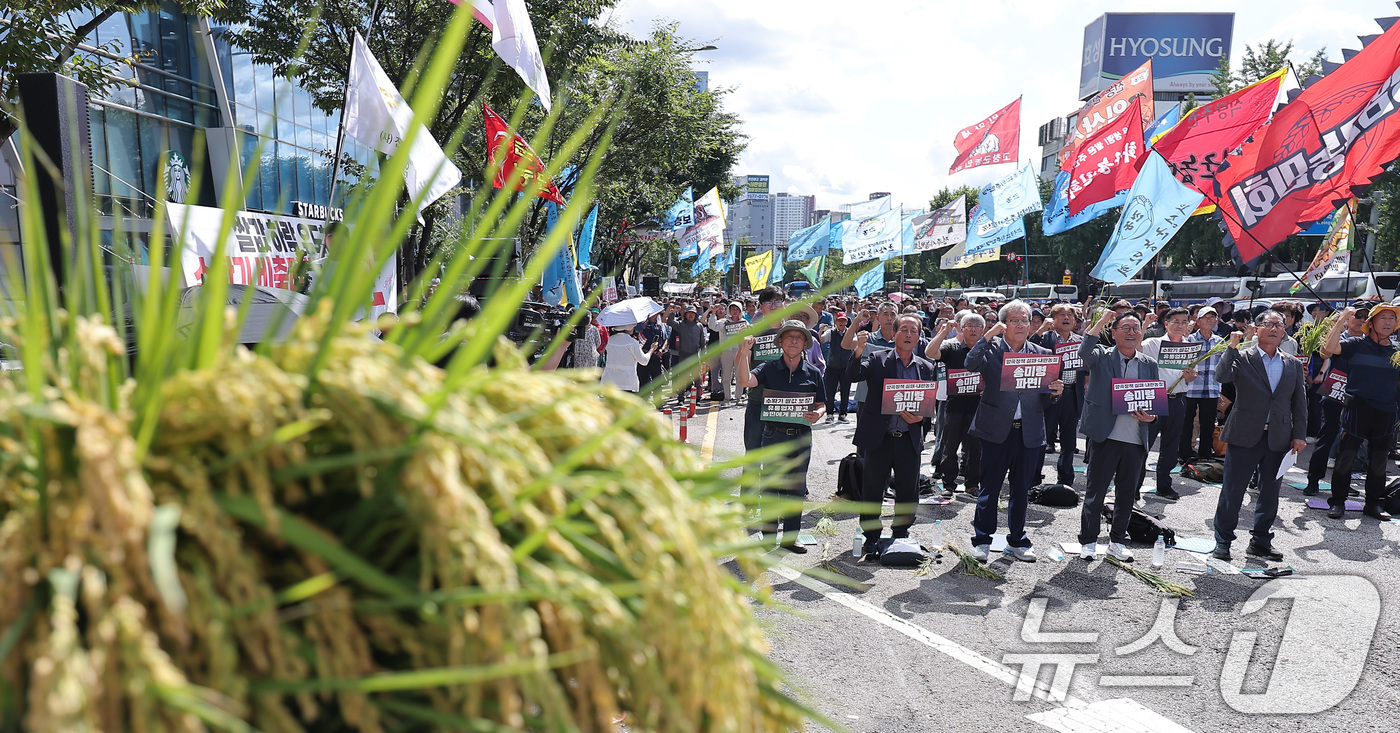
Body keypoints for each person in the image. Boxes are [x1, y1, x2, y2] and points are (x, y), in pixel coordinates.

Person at [964, 300, 1065, 562]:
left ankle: (1017, 539)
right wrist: (988, 334)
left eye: (1025, 320)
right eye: (1014, 321)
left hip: (1029, 431)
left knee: (1021, 489)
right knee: (990, 487)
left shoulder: (1042, 354)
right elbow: (970, 363)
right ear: (1004, 324)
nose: (1020, 325)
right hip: (996, 430)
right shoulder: (992, 349)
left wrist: (1056, 392)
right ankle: (983, 539)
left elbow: (1047, 396)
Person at [1211, 311, 1309, 560]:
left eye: (1279, 324)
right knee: (1233, 491)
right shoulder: (1243, 357)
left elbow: (1299, 402)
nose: (1274, 328)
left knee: (1270, 492)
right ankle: (1223, 540)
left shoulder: (1292, 363)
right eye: (1268, 324)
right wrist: (1232, 346)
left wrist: (1299, 434)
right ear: (1256, 329)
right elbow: (1222, 376)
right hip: (1245, 434)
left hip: (1279, 437)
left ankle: (1261, 540)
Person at [849, 315, 938, 553]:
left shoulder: (926, 367)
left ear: (919, 337)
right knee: (872, 490)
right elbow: (853, 375)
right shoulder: (878, 359)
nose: (909, 335)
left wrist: (921, 419)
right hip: (880, 438)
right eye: (904, 330)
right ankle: (871, 536)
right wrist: (858, 349)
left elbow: (929, 404)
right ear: (895, 333)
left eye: (914, 331)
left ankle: (901, 533)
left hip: (908, 439)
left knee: (908, 491)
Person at [1076, 310, 1158, 561]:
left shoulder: (1148, 364)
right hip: (1105, 435)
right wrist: (1101, 320)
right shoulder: (1101, 356)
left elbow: (1153, 402)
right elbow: (1084, 352)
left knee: (1126, 494)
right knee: (1096, 492)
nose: (1132, 332)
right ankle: (1088, 541)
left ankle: (1117, 541)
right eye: (1126, 328)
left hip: (1134, 438)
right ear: (1113, 333)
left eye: (1136, 328)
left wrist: (1151, 417)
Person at [737, 321, 826, 552]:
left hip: (801, 437)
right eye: (789, 337)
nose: (794, 341)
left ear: (806, 344)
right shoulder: (768, 368)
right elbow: (746, 381)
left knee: (796, 488)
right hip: (773, 434)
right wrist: (743, 352)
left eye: (799, 337)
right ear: (780, 342)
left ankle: (790, 538)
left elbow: (822, 404)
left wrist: (818, 413)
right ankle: (768, 536)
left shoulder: (813, 372)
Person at [1321, 304, 1400, 520]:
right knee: (1346, 458)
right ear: (1371, 323)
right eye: (1383, 318)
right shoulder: (1355, 345)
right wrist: (1342, 319)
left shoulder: (1396, 353)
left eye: (1392, 319)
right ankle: (1337, 502)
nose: (1388, 322)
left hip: (1387, 412)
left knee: (1379, 461)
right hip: (1358, 409)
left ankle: (1373, 505)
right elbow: (1328, 349)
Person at [1139, 307, 1199, 500]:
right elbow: (1135, 347)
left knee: (1171, 446)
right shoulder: (1153, 343)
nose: (1180, 326)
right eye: (1176, 322)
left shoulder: (1190, 346)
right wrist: (1145, 324)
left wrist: (1191, 376)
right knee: (1144, 444)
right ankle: (1134, 485)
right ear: (1166, 324)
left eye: (1184, 322)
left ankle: (1164, 485)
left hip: (1178, 399)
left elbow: (1191, 376)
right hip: (1155, 397)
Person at [1306, 304, 1365, 495]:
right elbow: (1326, 352)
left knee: (1350, 442)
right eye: (1357, 315)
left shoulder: (1370, 342)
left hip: (1358, 395)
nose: (1362, 319)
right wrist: (1339, 320)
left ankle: (1342, 482)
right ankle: (1313, 480)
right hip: (1335, 391)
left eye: (1366, 316)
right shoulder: (1339, 337)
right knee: (1327, 437)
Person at [926, 311, 986, 495]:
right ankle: (949, 484)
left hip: (979, 407)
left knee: (976, 449)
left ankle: (972, 484)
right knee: (949, 447)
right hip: (953, 406)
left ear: (984, 330)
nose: (973, 329)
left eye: (977, 326)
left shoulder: (988, 349)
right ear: (961, 328)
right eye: (969, 326)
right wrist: (944, 331)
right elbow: (930, 353)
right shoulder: (951, 348)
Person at [1034, 303, 1085, 485]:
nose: (1066, 318)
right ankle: (1034, 477)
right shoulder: (1045, 338)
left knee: (1069, 442)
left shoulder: (1080, 341)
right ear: (1053, 319)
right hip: (1049, 394)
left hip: (1072, 394)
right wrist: (1041, 329)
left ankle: (1066, 479)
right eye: (1061, 315)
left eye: (1070, 315)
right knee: (1042, 438)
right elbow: (1029, 348)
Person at [1180, 306, 1225, 465]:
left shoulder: (1220, 342)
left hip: (1211, 389)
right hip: (1190, 388)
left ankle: (1205, 454)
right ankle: (1184, 454)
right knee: (1187, 423)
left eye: (1212, 317)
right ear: (1198, 321)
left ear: (1217, 320)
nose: (1209, 320)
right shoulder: (1190, 339)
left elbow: (1222, 367)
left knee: (1208, 424)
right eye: (1205, 317)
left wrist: (1220, 390)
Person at [707, 302, 748, 404]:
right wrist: (713, 312)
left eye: (737, 309)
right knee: (726, 375)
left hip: (739, 350)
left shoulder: (744, 322)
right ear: (729, 310)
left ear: (740, 310)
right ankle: (727, 397)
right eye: (732, 309)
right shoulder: (724, 322)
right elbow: (712, 326)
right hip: (726, 351)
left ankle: (738, 397)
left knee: (739, 375)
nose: (734, 311)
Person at [600, 323, 658, 393]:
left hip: (610, 381)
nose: (633, 329)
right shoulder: (633, 342)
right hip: (627, 383)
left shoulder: (611, 340)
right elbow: (644, 361)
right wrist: (652, 349)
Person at [823, 312, 855, 422]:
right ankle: (829, 413)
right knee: (830, 391)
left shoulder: (851, 333)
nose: (841, 323)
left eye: (843, 320)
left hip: (846, 367)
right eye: (839, 320)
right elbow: (822, 340)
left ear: (847, 322)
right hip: (832, 366)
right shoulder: (830, 332)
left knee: (845, 391)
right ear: (836, 322)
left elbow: (855, 346)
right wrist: (820, 331)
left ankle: (843, 414)